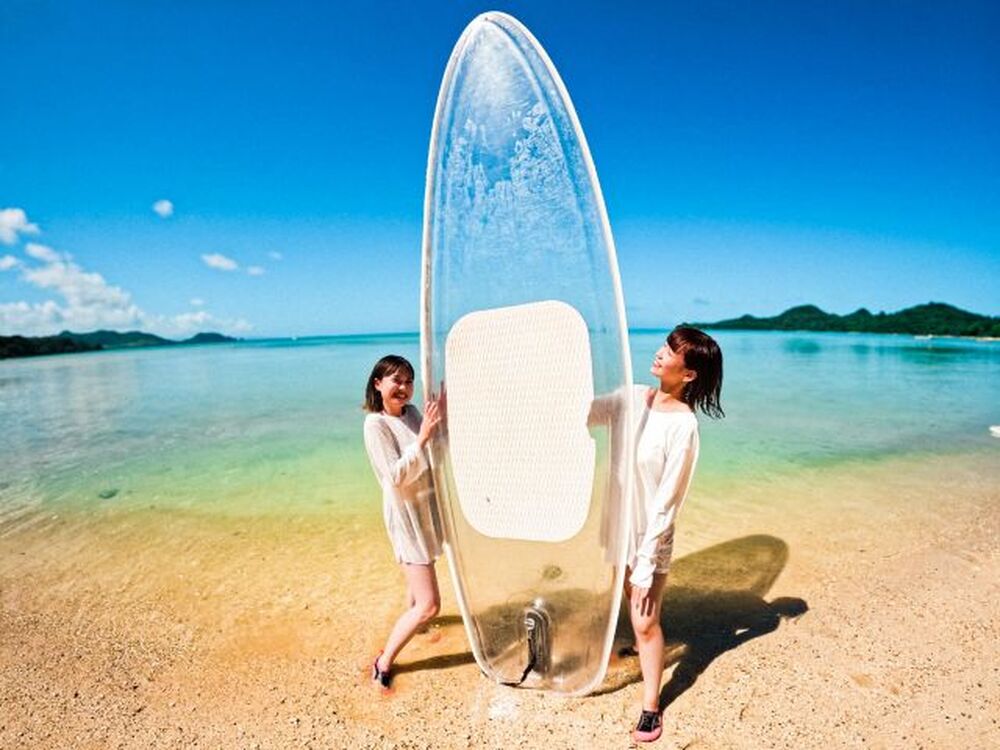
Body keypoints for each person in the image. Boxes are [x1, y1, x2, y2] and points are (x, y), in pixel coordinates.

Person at [624, 326, 724, 743]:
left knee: (646, 620)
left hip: (652, 534)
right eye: (665, 345)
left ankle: (651, 705)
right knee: (630, 602)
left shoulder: (684, 427)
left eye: (671, 351)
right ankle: (638, 649)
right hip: (620, 526)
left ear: (688, 374)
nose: (660, 353)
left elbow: (668, 501)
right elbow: (587, 412)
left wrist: (647, 561)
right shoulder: (635, 398)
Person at [361, 354, 444, 692]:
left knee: (418, 584)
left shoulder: (411, 413)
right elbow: (394, 477)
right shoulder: (376, 425)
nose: (404, 388)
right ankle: (383, 662)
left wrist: (440, 419)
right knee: (430, 605)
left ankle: (413, 624)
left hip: (425, 510)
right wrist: (422, 438)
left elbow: (435, 448)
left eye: (409, 381)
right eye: (396, 380)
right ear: (378, 383)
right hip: (406, 517)